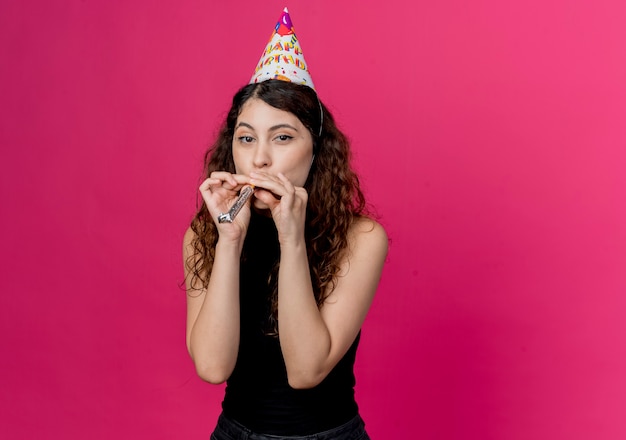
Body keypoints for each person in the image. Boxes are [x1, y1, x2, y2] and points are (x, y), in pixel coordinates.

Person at [183, 8, 387, 440]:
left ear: (315, 152)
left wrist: (291, 237)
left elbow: (306, 370)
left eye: (282, 137)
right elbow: (212, 366)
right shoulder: (205, 235)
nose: (259, 158)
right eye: (246, 137)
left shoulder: (361, 238)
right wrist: (229, 242)